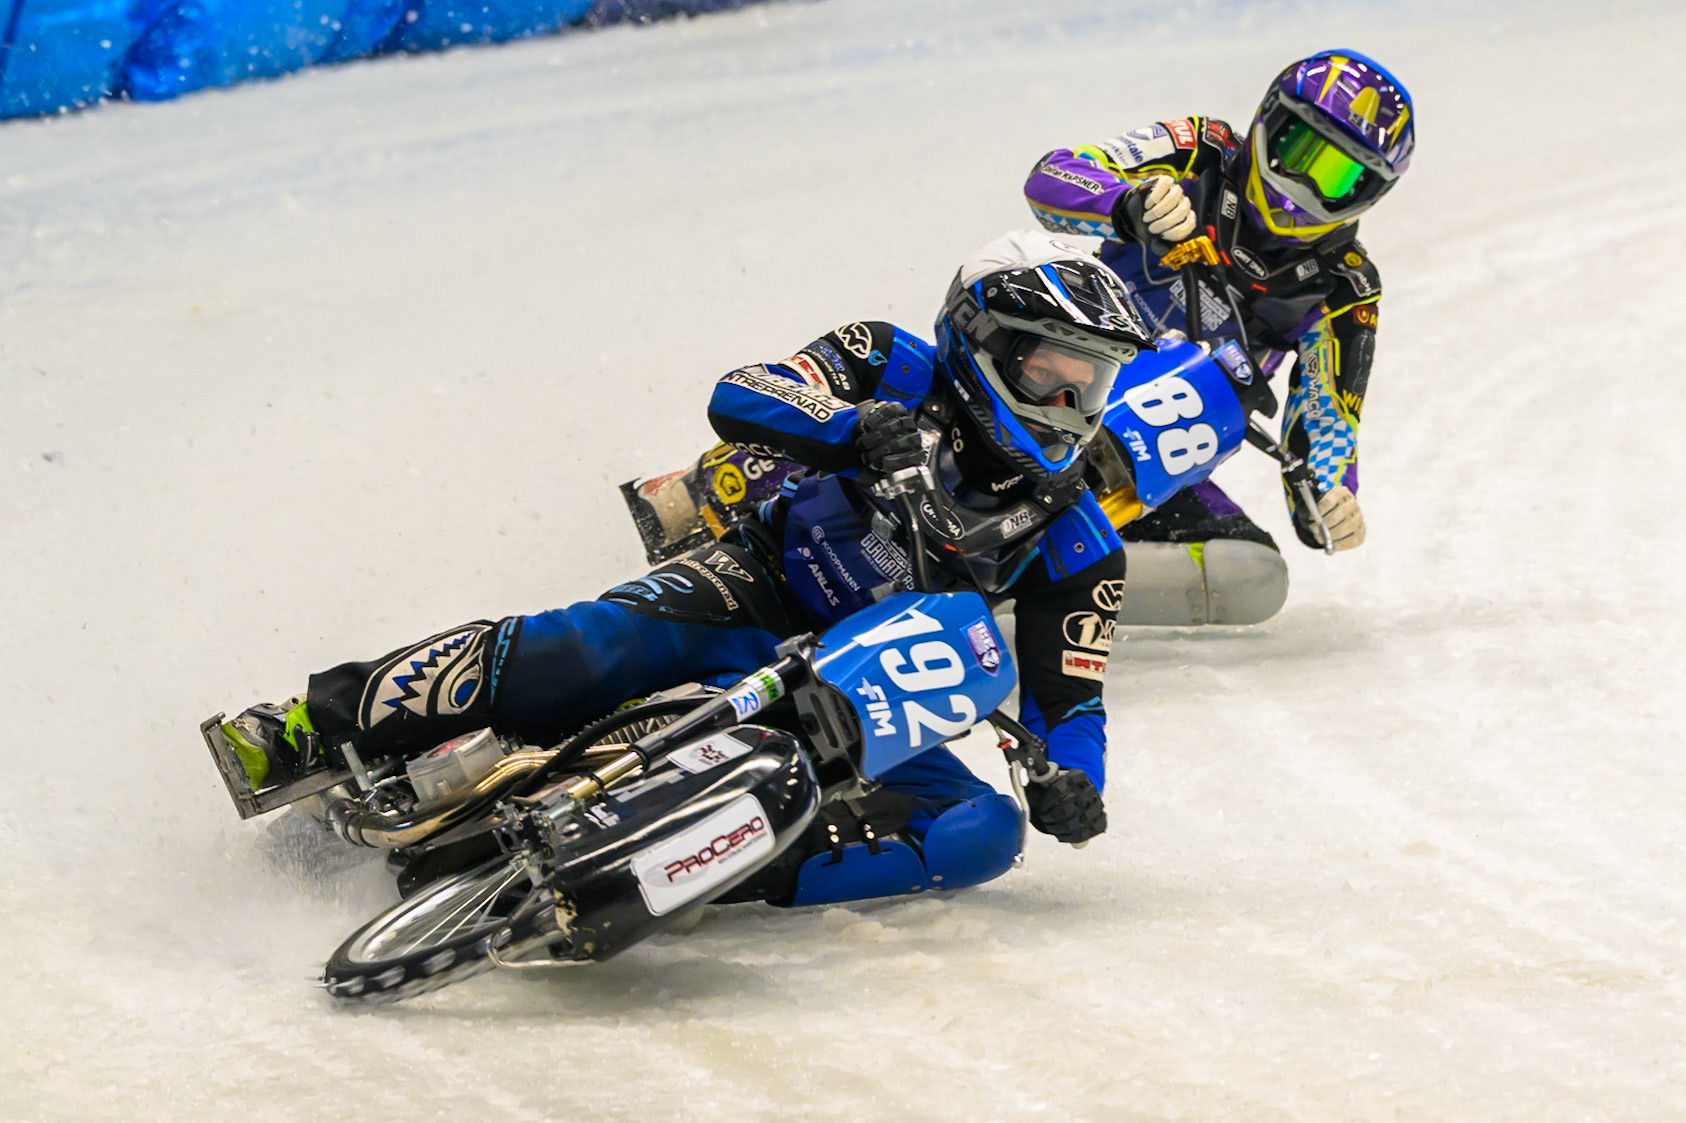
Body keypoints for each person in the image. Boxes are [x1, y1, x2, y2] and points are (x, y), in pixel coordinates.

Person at [221, 230, 1148, 908]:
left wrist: (1074, 782)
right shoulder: (888, 360)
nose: (1072, 401)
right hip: (753, 586)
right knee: (585, 648)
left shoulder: (1079, 531)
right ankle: (311, 722)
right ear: (982, 340)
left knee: (978, 832)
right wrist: (847, 426)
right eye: (1053, 372)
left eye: (1092, 381)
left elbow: (1072, 700)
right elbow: (741, 390)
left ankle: (694, 880)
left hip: (861, 693)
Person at [1023, 49, 1414, 625]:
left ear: (1369, 195)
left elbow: (1325, 422)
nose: (1302, 187)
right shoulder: (1201, 148)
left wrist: (1331, 500)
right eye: (1300, 150)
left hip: (1143, 456)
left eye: (1339, 177)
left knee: (1251, 572)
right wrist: (1127, 205)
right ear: (1267, 121)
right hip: (1048, 372)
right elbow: (1051, 176)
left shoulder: (1344, 286)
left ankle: (1048, 578)